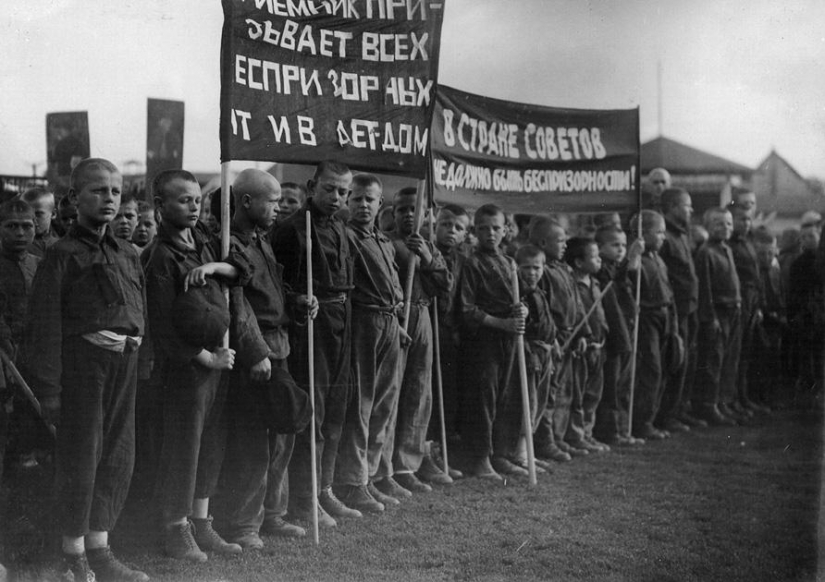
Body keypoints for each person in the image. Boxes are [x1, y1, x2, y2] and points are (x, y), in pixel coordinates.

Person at [22, 158, 148, 582]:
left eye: (115, 191)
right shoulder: (61, 255)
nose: (109, 198)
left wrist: (141, 361)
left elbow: (139, 310)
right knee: (81, 459)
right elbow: (44, 326)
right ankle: (71, 553)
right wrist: (50, 391)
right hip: (82, 370)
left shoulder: (128, 252)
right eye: (98, 191)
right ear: (74, 199)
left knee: (118, 457)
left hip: (125, 365)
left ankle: (100, 549)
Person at [207, 169, 312, 549]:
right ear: (247, 202)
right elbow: (239, 304)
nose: (278, 208)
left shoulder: (261, 240)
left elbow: (272, 289)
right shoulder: (228, 244)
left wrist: (297, 301)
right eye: (271, 201)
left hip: (279, 344)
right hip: (257, 351)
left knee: (283, 434)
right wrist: (255, 353)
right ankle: (243, 524)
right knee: (252, 443)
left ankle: (273, 515)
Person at [144, 169, 241, 562]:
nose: (194, 206)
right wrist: (209, 358)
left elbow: (237, 273)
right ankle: (175, 529)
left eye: (197, 199)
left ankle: (202, 522)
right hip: (187, 369)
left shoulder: (202, 243)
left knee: (211, 445)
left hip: (215, 367)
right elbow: (164, 328)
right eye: (183, 200)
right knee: (184, 450)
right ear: (159, 206)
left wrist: (214, 267)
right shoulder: (160, 257)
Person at [270, 160, 354, 528]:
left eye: (343, 192)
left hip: (341, 320)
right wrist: (298, 302)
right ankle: (304, 500)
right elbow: (278, 285)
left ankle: (325, 490)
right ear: (311, 186)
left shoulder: (340, 226)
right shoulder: (291, 230)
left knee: (336, 408)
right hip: (311, 325)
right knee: (314, 411)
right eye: (330, 189)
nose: (337, 197)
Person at [332, 173, 409, 512]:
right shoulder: (346, 237)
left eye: (370, 200)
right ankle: (352, 481)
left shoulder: (383, 240)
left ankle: (373, 474)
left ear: (381, 204)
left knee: (384, 402)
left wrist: (397, 325)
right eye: (356, 198)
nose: (363, 205)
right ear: (347, 201)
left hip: (390, 322)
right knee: (361, 404)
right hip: (364, 322)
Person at [387, 187, 452, 491]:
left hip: (422, 314)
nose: (408, 215)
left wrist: (427, 258)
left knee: (418, 390)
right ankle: (384, 465)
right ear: (393, 212)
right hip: (397, 315)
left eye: (415, 209)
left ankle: (407, 463)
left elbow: (445, 285)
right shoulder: (387, 242)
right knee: (393, 388)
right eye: (402, 209)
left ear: (426, 214)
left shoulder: (428, 245)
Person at [457, 204, 528, 479]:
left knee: (507, 397)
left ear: (506, 230)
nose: (490, 233)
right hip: (483, 340)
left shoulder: (509, 261)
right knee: (483, 398)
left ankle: (502, 453)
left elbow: (520, 299)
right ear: (474, 231)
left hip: (508, 340)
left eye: (496, 228)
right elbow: (467, 309)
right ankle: (480, 458)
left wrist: (523, 310)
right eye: (484, 228)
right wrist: (502, 323)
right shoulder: (472, 263)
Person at [528, 216, 591, 461]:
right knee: (549, 392)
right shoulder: (542, 271)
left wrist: (582, 333)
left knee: (564, 391)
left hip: (570, 335)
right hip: (553, 339)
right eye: (560, 240)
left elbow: (577, 302)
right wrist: (552, 337)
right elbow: (542, 309)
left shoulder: (564, 268)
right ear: (543, 243)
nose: (565, 245)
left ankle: (559, 436)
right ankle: (544, 441)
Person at [496, 244, 557, 473]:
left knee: (537, 405)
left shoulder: (540, 292)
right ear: (517, 268)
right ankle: (513, 454)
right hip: (526, 355)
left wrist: (554, 341)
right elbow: (521, 320)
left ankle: (526, 452)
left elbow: (547, 323)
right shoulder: (516, 293)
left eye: (536, 267)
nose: (532, 273)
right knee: (523, 405)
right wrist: (523, 313)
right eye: (526, 268)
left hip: (544, 354)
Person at [426, 203, 470, 479]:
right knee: (427, 394)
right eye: (445, 224)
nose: (451, 231)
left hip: (451, 335)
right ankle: (425, 456)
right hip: (429, 328)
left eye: (458, 227)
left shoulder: (464, 259)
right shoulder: (427, 252)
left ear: (465, 234)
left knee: (447, 396)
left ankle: (438, 453)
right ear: (435, 225)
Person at [0, 200, 43, 472]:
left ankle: (26, 455)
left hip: (33, 349)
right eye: (11, 226)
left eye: (26, 226)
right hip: (4, 351)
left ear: (36, 228)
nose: (19, 233)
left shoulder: (41, 264)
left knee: (31, 406)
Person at [592, 225, 645, 446]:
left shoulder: (616, 266)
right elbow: (615, 281)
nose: (621, 249)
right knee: (611, 385)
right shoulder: (602, 269)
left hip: (625, 329)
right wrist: (631, 258)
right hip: (613, 333)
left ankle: (622, 428)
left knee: (623, 383)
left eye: (623, 245)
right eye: (615, 245)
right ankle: (610, 431)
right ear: (600, 247)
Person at [656, 188, 703, 432]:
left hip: (689, 308)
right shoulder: (666, 238)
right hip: (675, 311)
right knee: (675, 361)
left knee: (688, 362)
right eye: (687, 206)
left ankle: (678, 410)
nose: (691, 210)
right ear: (673, 207)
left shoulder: (683, 235)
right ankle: (666, 415)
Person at [630, 210, 678, 441]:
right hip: (647, 318)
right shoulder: (636, 259)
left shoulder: (658, 259)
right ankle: (642, 422)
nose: (663, 237)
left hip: (664, 316)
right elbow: (631, 281)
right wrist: (634, 258)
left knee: (663, 369)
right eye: (658, 232)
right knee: (651, 370)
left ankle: (653, 417)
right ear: (642, 234)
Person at [692, 208, 741, 426]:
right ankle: (708, 405)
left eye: (729, 224)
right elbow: (706, 289)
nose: (725, 228)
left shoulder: (727, 249)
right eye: (719, 224)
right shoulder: (705, 252)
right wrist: (710, 318)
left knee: (727, 360)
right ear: (708, 227)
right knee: (713, 360)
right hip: (717, 313)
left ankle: (722, 402)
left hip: (733, 311)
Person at [565, 236, 610, 452]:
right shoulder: (572, 284)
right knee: (579, 395)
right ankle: (575, 435)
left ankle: (588, 432)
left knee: (593, 394)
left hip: (598, 347)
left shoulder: (596, 283)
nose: (599, 260)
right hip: (582, 348)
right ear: (579, 262)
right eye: (594, 256)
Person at [727, 204, 768, 418]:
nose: (746, 223)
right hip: (739, 301)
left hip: (752, 301)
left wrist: (759, 304)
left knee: (746, 353)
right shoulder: (729, 245)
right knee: (735, 352)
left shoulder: (748, 242)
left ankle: (743, 397)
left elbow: (757, 274)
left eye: (748, 219)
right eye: (740, 219)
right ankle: (731, 399)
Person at [20, 187, 59, 257]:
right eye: (27, 214)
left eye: (38, 214)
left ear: (53, 214)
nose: (32, 220)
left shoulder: (61, 246)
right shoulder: (15, 247)